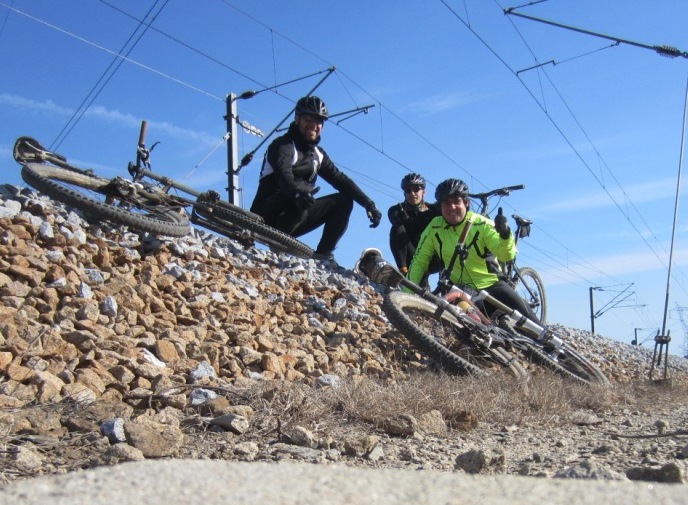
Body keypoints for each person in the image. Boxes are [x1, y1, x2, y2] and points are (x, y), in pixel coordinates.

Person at [250, 95, 382, 262]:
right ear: (297, 119)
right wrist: (298, 193)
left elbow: (340, 179)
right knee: (300, 197)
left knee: (344, 200)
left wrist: (368, 203)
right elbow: (284, 176)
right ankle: (277, 246)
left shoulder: (318, 154)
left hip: (297, 214)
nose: (313, 125)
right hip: (268, 214)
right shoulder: (283, 145)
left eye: (319, 121)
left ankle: (323, 256)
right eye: (308, 119)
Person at [408, 178, 539, 322]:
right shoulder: (434, 228)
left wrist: (505, 235)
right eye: (446, 203)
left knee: (533, 325)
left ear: (466, 203)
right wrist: (406, 294)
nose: (452, 207)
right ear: (440, 206)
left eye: (456, 201)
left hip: (492, 285)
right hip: (461, 289)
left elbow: (506, 255)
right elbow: (419, 262)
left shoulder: (481, 224)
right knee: (464, 325)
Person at [388, 173, 442, 286]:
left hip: (432, 258)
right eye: (408, 190)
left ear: (424, 192)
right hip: (411, 256)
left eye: (416, 189)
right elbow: (393, 217)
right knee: (397, 229)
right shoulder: (396, 210)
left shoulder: (434, 210)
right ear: (404, 193)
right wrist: (401, 219)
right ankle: (404, 273)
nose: (412, 193)